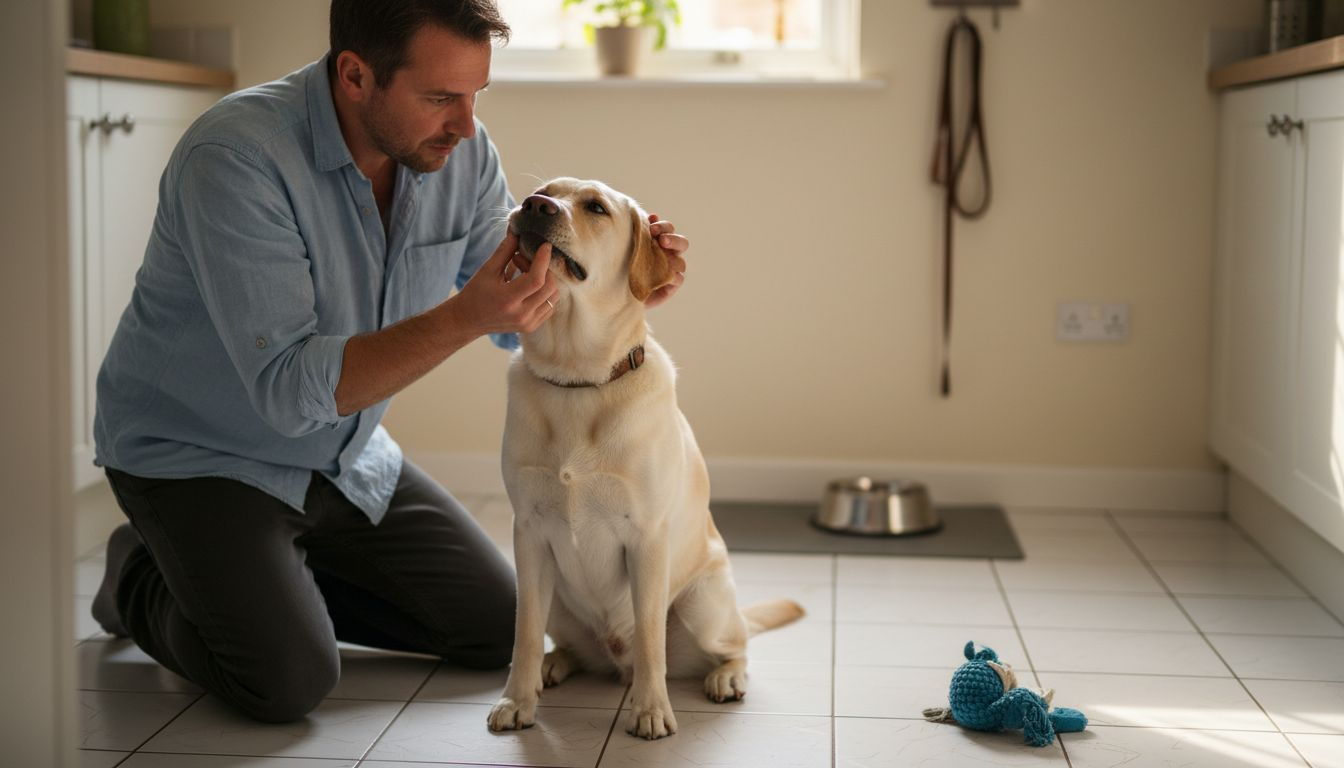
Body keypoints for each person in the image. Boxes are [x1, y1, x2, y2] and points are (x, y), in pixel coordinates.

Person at [89, 0, 689, 724]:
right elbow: (286, 389)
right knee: (285, 681)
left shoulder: (457, 152)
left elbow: (508, 311)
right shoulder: (237, 158)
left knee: (497, 626)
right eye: (441, 98)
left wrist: (622, 275)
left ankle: (267, 580)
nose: (466, 126)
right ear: (355, 75)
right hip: (203, 456)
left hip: (344, 454)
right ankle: (139, 575)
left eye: (475, 97)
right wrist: (465, 314)